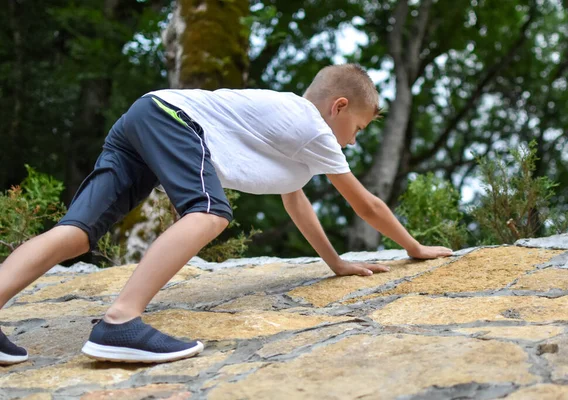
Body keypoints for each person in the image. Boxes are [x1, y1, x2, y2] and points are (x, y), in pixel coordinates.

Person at [0, 64, 452, 365]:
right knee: (211, 211)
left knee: (77, 233)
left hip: (144, 115)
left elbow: (295, 199)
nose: (351, 142)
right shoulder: (314, 128)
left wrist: (334, 263)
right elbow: (365, 203)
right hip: (172, 118)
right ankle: (119, 323)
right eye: (356, 128)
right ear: (338, 108)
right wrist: (413, 248)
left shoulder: (286, 127)